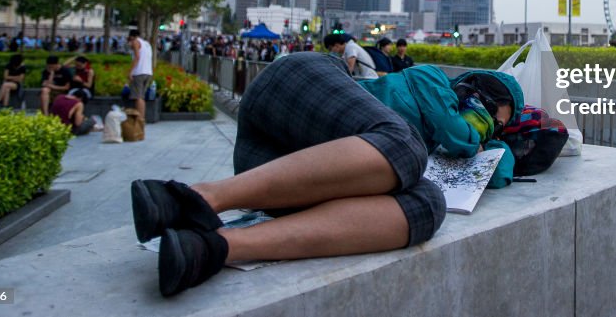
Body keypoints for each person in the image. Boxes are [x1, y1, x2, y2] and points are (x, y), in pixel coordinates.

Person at [130, 51, 523, 297]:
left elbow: (499, 171)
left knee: (427, 206)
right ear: (473, 88)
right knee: (405, 148)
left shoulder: (445, 143)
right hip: (294, 88)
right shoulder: (431, 78)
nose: (483, 123)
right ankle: (192, 198)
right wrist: (479, 132)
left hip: (287, 172)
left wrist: (499, 142)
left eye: (493, 125)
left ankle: (213, 249)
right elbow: (457, 135)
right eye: (484, 109)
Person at [127, 29, 154, 123]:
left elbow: (137, 57)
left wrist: (130, 71)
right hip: (148, 72)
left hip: (139, 72)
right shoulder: (147, 44)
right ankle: (142, 118)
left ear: (131, 36)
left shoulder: (135, 42)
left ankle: (140, 119)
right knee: (141, 97)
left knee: (138, 97)